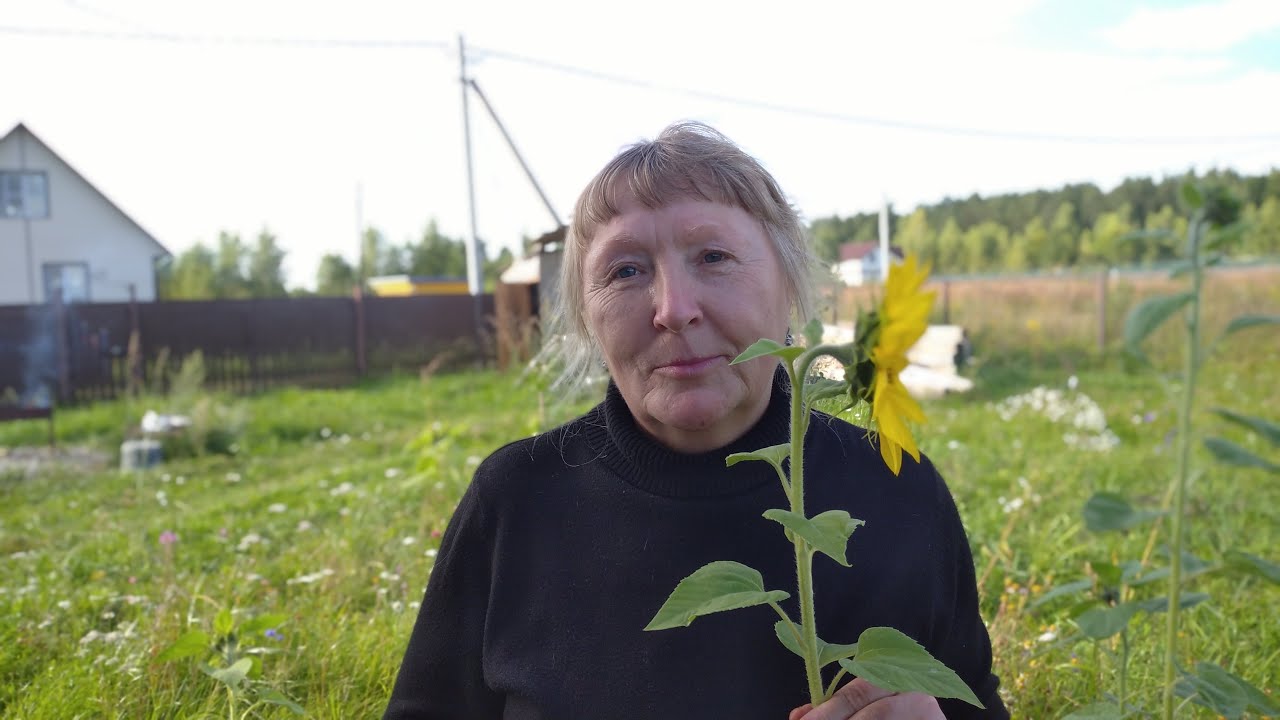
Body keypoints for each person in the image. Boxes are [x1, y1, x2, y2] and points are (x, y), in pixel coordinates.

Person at [384, 122, 1009, 719]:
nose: (674, 310)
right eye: (625, 271)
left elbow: (973, 705)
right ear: (586, 316)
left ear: (790, 286)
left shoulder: (898, 491)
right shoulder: (517, 500)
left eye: (712, 256)